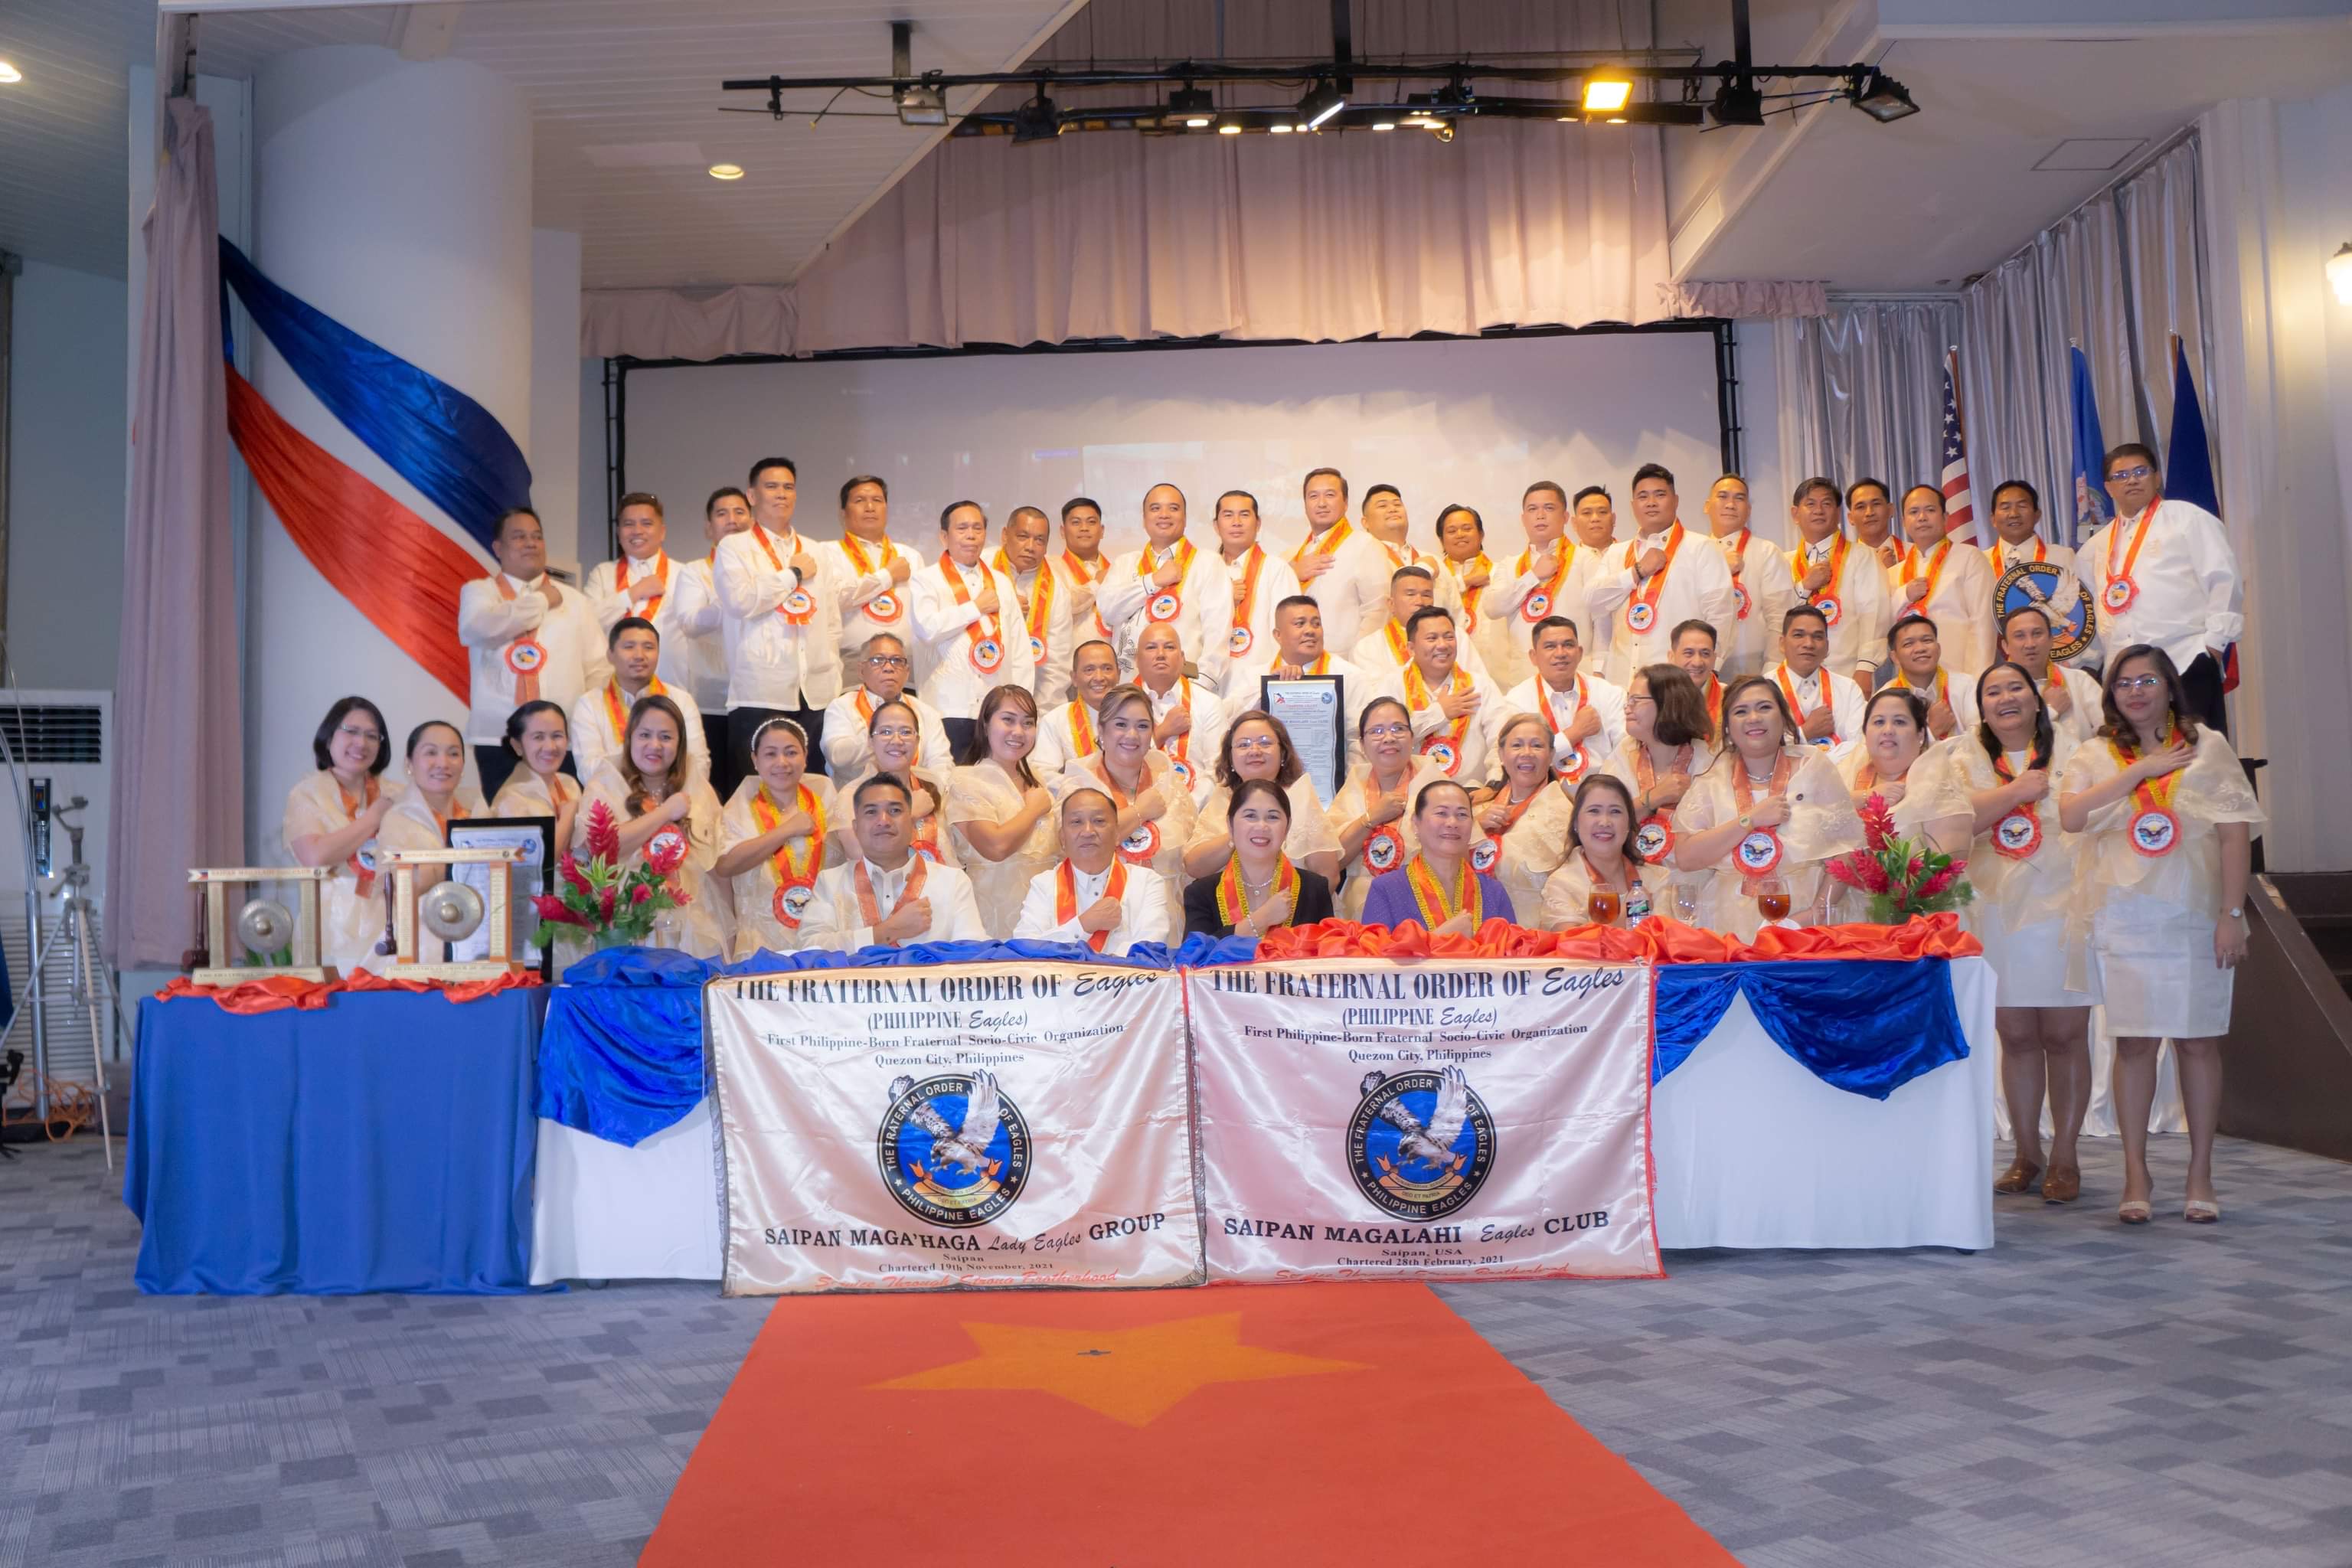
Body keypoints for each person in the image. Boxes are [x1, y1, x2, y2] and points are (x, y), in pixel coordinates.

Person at [2059, 645, 2263, 1224]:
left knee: (2198, 1042)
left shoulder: (2208, 747)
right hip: (2125, 919)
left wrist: (2232, 913)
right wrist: (2138, 772)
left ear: (2170, 687)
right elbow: (2071, 817)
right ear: (2111, 695)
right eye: (2124, 683)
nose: (2136, 692)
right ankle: (2136, 1173)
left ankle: (2201, 1174)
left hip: (2196, 916)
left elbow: (2233, 834)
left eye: (2148, 680)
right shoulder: (2095, 752)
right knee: (2134, 1045)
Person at [1958, 661, 2098, 1204]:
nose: (2005, 698)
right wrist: (2015, 791)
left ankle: (2065, 1156)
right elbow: (1953, 824)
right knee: (2015, 1036)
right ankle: (2026, 1154)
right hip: (1994, 913)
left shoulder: (2076, 750)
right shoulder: (1961, 756)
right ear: (1982, 708)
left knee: (2064, 1036)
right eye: (1993, 691)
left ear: (2037, 699)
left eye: (2016, 687)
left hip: (2063, 907)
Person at [1668, 677, 1861, 939]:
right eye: (1741, 711)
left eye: (1764, 707)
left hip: (1807, 916)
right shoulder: (1712, 779)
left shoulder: (1812, 766)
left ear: (1783, 718)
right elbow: (1686, 857)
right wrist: (1749, 820)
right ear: (1728, 728)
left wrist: (1817, 912)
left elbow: (1848, 850)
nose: (1754, 718)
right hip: (1729, 919)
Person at [2082, 444, 2243, 733]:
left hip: (2186, 661)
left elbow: (2223, 580)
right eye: (2121, 475)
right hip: (2125, 681)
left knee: (2196, 756)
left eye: (2140, 472)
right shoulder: (2094, 547)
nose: (2132, 480)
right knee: (2135, 757)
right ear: (2108, 488)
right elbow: (2093, 611)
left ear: (2157, 478)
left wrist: (2212, 649)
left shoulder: (2189, 519)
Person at [458, 506, 606, 802]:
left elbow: (599, 669)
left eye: (537, 537)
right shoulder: (480, 592)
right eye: (519, 537)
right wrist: (540, 601)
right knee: (506, 819)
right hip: (497, 737)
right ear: (498, 548)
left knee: (566, 817)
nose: (530, 543)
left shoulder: (575, 601)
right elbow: (476, 629)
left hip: (562, 738)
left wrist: (587, 725)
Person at [714, 456, 845, 784]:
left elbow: (831, 622)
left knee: (812, 787)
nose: (781, 494)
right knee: (756, 790)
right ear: (752, 496)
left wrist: (833, 677)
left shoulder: (816, 550)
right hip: (760, 691)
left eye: (788, 487)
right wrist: (793, 574)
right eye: (772, 486)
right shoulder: (734, 547)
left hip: (815, 693)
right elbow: (741, 601)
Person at [580, 694, 727, 958]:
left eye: (666, 737)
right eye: (645, 735)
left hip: (691, 921)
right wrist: (665, 813)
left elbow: (716, 864)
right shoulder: (605, 782)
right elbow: (602, 847)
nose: (655, 745)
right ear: (630, 738)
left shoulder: (696, 785)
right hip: (627, 921)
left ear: (680, 743)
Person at [1054, 682, 1197, 932]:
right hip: (1098, 917)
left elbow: (1190, 849)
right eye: (1121, 725)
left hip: (1165, 915)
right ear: (1102, 729)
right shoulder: (1079, 781)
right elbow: (1071, 845)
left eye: (1142, 726)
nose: (1132, 735)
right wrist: (1139, 812)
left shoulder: (1165, 776)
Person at [798, 773, 987, 951]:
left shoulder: (952, 882)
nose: (883, 821)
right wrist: (888, 931)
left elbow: (971, 954)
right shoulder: (830, 882)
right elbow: (808, 947)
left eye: (895, 810)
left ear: (912, 823)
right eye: (871, 812)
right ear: (855, 827)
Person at [1587, 463, 1739, 683]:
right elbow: (1593, 602)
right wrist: (1636, 572)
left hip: (1680, 682)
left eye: (1660, 495)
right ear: (1633, 505)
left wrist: (1709, 670)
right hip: (1623, 680)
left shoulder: (1701, 548)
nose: (1651, 502)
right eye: (1643, 496)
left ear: (1675, 501)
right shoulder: (1617, 553)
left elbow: (1721, 615)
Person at [282, 697, 399, 977]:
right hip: (329, 927)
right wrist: (373, 818)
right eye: (351, 731)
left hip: (390, 924)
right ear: (329, 736)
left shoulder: (397, 794)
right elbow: (315, 856)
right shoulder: (307, 793)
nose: (361, 743)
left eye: (372, 736)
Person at [911, 500, 1037, 756]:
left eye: (977, 528)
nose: (971, 535)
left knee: (996, 779)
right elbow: (927, 629)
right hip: (946, 708)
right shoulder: (926, 579)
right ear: (944, 537)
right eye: (962, 528)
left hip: (997, 713)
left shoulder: (1001, 582)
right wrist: (975, 608)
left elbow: (1020, 650)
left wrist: (1020, 707)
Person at [714, 714, 842, 956]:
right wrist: (786, 830)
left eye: (791, 752)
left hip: (822, 934)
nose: (782, 762)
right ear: (755, 760)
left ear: (805, 756)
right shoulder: (741, 806)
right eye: (770, 754)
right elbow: (725, 866)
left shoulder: (826, 797)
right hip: (759, 942)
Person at [944, 684, 1061, 940]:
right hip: (991, 917)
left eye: (1028, 723)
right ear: (986, 724)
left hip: (1046, 915)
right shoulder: (965, 780)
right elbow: (995, 847)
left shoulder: (1037, 779)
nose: (1018, 731)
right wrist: (1033, 810)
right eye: (1008, 720)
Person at [1603, 663, 1720, 920]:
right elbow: (1602, 820)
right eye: (1628, 699)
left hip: (1695, 891)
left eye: (1637, 700)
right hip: (1634, 886)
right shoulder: (1624, 753)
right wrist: (1652, 798)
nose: (1627, 707)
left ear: (1669, 703)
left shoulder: (1708, 761)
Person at [1182, 710, 1343, 887]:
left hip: (1293, 904)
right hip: (1227, 905)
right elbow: (1194, 867)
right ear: (1230, 758)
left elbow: (1328, 876)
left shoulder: (1300, 797)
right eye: (1243, 745)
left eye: (1265, 743)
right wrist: (1240, 834)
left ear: (1283, 753)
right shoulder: (1223, 798)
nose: (1254, 751)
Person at [1096, 482, 1232, 692]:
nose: (1164, 514)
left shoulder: (1208, 562)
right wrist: (1153, 581)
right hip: (1129, 690)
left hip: (1186, 688)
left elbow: (1218, 634)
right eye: (1155, 508)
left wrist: (1198, 690)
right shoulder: (1125, 563)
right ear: (1144, 519)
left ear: (1185, 518)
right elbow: (1108, 610)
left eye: (1173, 508)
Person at [1325, 698, 1449, 920]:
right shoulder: (1355, 783)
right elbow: (1333, 860)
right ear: (1362, 745)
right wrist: (1371, 818)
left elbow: (1456, 853)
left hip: (1425, 907)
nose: (1389, 738)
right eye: (1377, 731)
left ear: (1412, 737)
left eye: (1398, 729)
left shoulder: (1435, 783)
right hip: (1360, 912)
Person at [1012, 788, 1171, 955]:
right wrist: (1083, 925)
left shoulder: (1147, 882)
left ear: (1117, 834)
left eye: (1099, 821)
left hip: (1123, 975)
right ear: (1062, 838)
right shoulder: (1043, 884)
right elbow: (1025, 948)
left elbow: (1150, 948)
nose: (1088, 831)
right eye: (1076, 822)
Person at [1184, 777, 1338, 939]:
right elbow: (1196, 951)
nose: (1262, 826)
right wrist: (1262, 919)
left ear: (1287, 827)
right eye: (1250, 816)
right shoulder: (1200, 893)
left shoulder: (1314, 888)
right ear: (1230, 825)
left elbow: (1329, 950)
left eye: (1273, 817)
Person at [1357, 780, 1517, 933]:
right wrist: (1441, 937)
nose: (1452, 823)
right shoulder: (1386, 889)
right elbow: (1374, 951)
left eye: (1462, 814)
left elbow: (1512, 949)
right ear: (1415, 823)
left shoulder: (1493, 891)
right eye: (1441, 813)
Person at [583, 492, 707, 690]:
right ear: (619, 532)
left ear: (662, 532)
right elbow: (587, 622)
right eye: (629, 524)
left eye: (646, 523)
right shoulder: (602, 573)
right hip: (612, 689)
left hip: (671, 687)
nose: (637, 531)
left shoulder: (685, 574)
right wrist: (632, 594)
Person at [1370, 606, 1506, 782]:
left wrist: (1493, 782)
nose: (1442, 645)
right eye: (1432, 638)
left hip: (1471, 792)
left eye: (1449, 637)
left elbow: (1501, 739)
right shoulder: (1392, 685)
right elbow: (1383, 740)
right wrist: (1439, 713)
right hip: (1408, 793)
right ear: (1411, 648)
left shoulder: (1480, 686)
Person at [570, 617, 710, 788]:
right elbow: (588, 770)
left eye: (649, 647)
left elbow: (698, 765)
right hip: (612, 800)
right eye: (629, 647)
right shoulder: (589, 704)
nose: (639, 656)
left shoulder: (681, 701)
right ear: (610, 655)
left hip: (672, 797)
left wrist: (667, 795)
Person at [1835, 688, 1972, 859]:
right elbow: (1815, 818)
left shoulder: (1939, 783)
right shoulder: (1848, 770)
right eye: (1879, 722)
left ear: (1921, 733)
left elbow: (1946, 866)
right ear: (1865, 732)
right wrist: (1865, 796)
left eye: (1899, 722)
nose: (1888, 730)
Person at [1469, 712, 1577, 926]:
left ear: (1551, 755)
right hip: (1473, 928)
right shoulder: (1476, 810)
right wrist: (1474, 827)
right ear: (1501, 754)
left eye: (1537, 746)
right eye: (1517, 745)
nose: (1527, 753)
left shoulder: (1568, 816)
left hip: (1533, 933)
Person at [1486, 482, 1599, 682]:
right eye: (1532, 509)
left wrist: (1600, 668)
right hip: (1523, 677)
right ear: (1523, 519)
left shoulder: (1586, 560)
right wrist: (1533, 576)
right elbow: (1492, 608)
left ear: (1565, 517)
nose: (1540, 515)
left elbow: (1601, 621)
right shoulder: (1509, 565)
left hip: (1576, 675)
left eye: (1549, 508)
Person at [1787, 475, 1893, 684]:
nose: (1819, 510)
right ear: (1795, 514)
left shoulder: (1863, 556)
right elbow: (1776, 617)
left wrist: (1865, 668)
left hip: (1848, 675)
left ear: (1838, 513)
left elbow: (1874, 615)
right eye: (1810, 504)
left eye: (1826, 503)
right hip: (1793, 676)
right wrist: (1804, 587)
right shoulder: (1783, 561)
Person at [1501, 616, 1625, 786]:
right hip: (1541, 793)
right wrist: (1574, 733)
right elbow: (1520, 763)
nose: (1560, 653)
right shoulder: (1517, 701)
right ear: (1533, 656)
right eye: (1550, 646)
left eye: (1568, 645)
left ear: (1579, 653)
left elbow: (1625, 752)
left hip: (1603, 790)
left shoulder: (1609, 694)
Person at [1886, 485, 1996, 675]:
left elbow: (1983, 624)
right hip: (1909, 681)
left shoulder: (1970, 558)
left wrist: (1976, 682)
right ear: (1903, 522)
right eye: (1914, 512)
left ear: (1945, 517)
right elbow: (1882, 625)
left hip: (1959, 677)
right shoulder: (1893, 573)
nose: (1922, 517)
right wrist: (1904, 596)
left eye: (1930, 510)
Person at [842, 698, 962, 870]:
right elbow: (861, 857)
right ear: (870, 741)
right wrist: (910, 814)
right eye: (886, 732)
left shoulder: (931, 783)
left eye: (906, 732)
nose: (897, 740)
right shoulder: (851, 795)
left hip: (942, 881)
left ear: (917, 741)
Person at [1540, 775, 1671, 930]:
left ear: (1629, 824)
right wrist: (1630, 914)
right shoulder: (1562, 884)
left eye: (1615, 811)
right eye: (1594, 811)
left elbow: (1669, 938)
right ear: (1576, 823)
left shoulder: (1657, 879)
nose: (1605, 822)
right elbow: (1570, 941)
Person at [1287, 466, 1392, 654]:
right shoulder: (1292, 556)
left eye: (1330, 495)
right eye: (1313, 496)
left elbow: (1378, 611)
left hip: (1345, 663)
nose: (1321, 503)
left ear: (1346, 502)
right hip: (1297, 662)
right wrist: (1291, 575)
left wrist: (1357, 659)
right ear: (1305, 505)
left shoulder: (1366, 545)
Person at [820, 632, 952, 782]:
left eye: (897, 661)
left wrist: (933, 791)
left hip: (915, 792)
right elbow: (837, 757)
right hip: (857, 794)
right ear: (861, 671)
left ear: (907, 672)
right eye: (878, 660)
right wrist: (882, 736)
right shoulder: (842, 706)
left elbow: (940, 764)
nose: (889, 668)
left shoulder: (927, 712)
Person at [825, 475, 916, 689]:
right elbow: (833, 599)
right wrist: (887, 576)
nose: (869, 507)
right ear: (843, 512)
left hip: (903, 661)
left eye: (877, 500)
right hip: (852, 661)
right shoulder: (827, 552)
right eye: (859, 501)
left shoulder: (910, 555)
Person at [689, 488, 751, 795]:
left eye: (740, 512)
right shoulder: (694, 572)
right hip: (711, 698)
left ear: (753, 521)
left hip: (755, 695)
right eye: (722, 514)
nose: (732, 520)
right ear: (708, 527)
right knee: (713, 790)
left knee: (750, 785)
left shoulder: (768, 573)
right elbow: (690, 622)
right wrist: (733, 597)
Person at [1127, 620, 1227, 803]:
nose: (1160, 654)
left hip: (1197, 810)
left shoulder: (1209, 703)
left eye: (1169, 647)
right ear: (1137, 661)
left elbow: (1217, 771)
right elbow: (1116, 765)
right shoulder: (1120, 706)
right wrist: (1161, 733)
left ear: (1182, 659)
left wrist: (1186, 809)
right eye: (1151, 648)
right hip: (1134, 808)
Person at [1703, 474, 1792, 678]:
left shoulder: (1767, 552)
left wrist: (1772, 670)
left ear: (1749, 510)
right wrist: (1721, 569)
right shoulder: (1694, 553)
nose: (1730, 504)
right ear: (1707, 506)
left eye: (1739, 498)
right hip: (1701, 666)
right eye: (1723, 496)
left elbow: (1779, 617)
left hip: (1754, 668)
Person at [1984, 480, 2088, 651]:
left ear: (2037, 515)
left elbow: (2083, 611)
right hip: (1997, 657)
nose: (2014, 514)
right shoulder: (1981, 561)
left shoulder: (2063, 556)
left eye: (2022, 506)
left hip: (2054, 655)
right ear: (1993, 519)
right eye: (2005, 507)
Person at [1349, 565, 1494, 684]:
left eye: (1426, 595)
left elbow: (1479, 683)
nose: (1420, 601)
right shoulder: (1368, 647)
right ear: (1391, 604)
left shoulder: (1456, 636)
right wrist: (1438, 707)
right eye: (1410, 594)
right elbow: (1374, 697)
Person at [994, 505, 1076, 707]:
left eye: (1039, 540)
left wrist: (1038, 713)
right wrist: (1005, 605)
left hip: (1032, 702)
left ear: (1047, 546)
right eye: (1023, 536)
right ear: (1005, 535)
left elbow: (1057, 665)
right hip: (979, 698)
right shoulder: (981, 568)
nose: (1030, 546)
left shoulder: (1057, 590)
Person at [1433, 504, 1522, 691]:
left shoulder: (1502, 572)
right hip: (1445, 675)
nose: (1460, 534)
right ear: (1441, 540)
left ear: (1481, 535)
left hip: (1499, 676)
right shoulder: (1435, 579)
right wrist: (1466, 581)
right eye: (1452, 531)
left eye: (1467, 528)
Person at [1214, 488, 1302, 672]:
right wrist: (1224, 599)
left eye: (1244, 515)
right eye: (1228, 515)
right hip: (1210, 679)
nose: (1236, 522)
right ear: (1216, 526)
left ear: (1258, 523)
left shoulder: (1276, 569)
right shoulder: (1205, 571)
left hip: (1259, 680)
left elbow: (1291, 631)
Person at [1997, 603, 2102, 746]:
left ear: (2051, 640)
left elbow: (2107, 729)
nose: (2030, 644)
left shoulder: (2080, 681)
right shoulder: (1994, 691)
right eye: (2020, 636)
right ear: (2005, 646)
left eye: (2037, 634)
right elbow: (2000, 743)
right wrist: (2050, 710)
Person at [1768, 605, 1865, 753]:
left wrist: (1823, 765)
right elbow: (1758, 746)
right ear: (1782, 643)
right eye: (1799, 635)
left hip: (1839, 768)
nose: (1809, 644)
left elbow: (1859, 747)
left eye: (1817, 637)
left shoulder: (1849, 689)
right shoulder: (1763, 690)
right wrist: (1805, 733)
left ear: (1827, 647)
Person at [492, 700, 583, 850]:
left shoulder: (569, 783)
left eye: (557, 736)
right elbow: (536, 859)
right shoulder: (511, 799)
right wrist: (568, 816)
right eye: (538, 737)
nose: (550, 747)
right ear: (517, 745)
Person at [1031, 639, 1122, 781]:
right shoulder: (1055, 720)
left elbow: (1149, 763)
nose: (1099, 677)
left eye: (1107, 669)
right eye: (1089, 670)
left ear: (1119, 674)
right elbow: (1043, 774)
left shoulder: (1135, 716)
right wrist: (1083, 786)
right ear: (1074, 678)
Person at [1881, 614, 1978, 740]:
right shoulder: (1884, 698)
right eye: (1908, 644)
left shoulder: (1966, 686)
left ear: (1938, 649)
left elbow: (1979, 740)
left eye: (1927, 640)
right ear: (1895, 658)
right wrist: (1931, 732)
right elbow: (1885, 749)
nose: (1920, 649)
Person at [1056, 496, 1115, 651]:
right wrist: (1096, 585)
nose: (1084, 528)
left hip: (1113, 658)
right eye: (1076, 522)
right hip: (1070, 659)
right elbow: (1058, 607)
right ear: (1062, 531)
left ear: (1102, 531)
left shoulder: (1118, 570)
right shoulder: (1051, 568)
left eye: (1091, 522)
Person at [1669, 619, 1726, 737]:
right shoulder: (1655, 697)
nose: (1697, 663)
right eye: (1688, 653)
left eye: (1705, 654)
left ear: (1714, 659)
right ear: (1671, 657)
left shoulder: (1729, 697)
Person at [1846, 477, 1900, 564]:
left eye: (1876, 504)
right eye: (1861, 507)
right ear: (1851, 518)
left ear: (1890, 510)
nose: (1869, 513)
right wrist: (1879, 566)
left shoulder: (1915, 554)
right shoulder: (1842, 564)